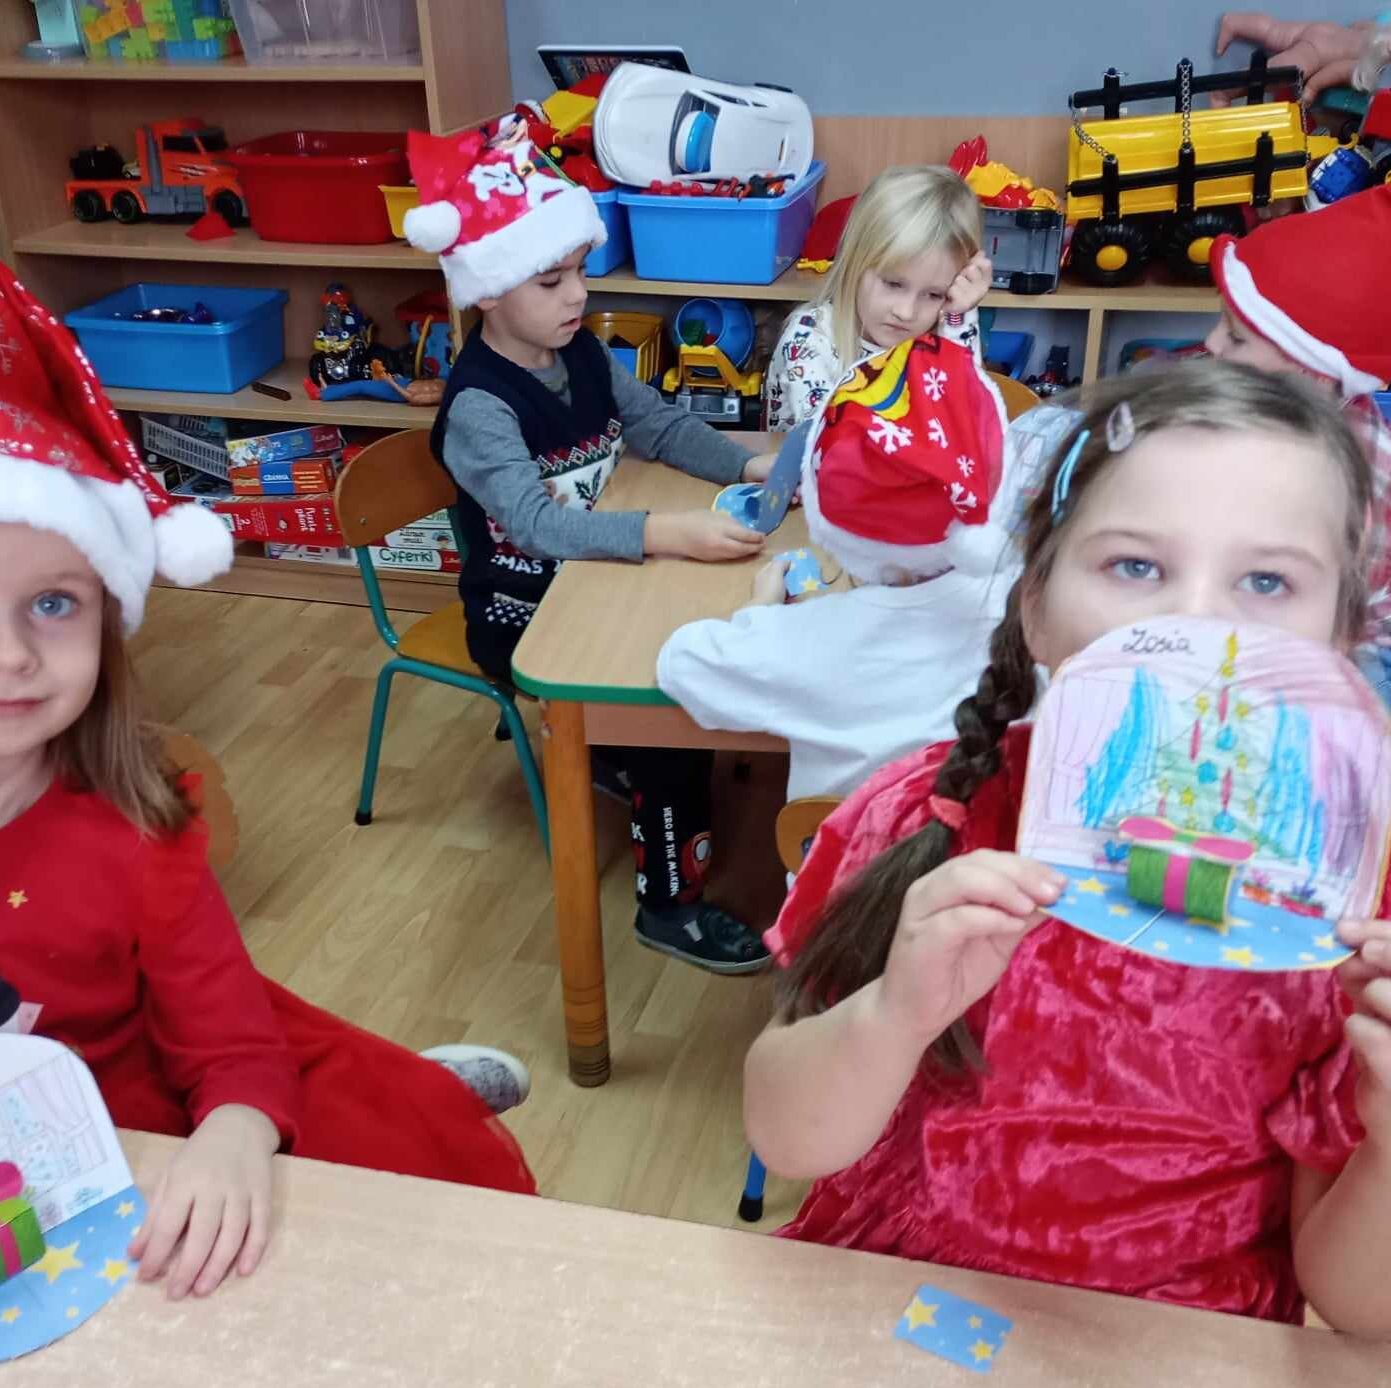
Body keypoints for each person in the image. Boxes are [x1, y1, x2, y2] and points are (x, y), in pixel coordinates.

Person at [0, 255, 537, 1305]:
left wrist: (236, 1132)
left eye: (54, 604)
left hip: (145, 1157)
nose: (9, 654)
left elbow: (232, 1049)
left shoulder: (137, 820)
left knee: (406, 1204)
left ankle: (413, 1091)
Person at [743, 362, 1391, 1341]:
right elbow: (786, 1138)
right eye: (1134, 566)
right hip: (904, 1308)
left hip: (1192, 1353)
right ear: (1036, 608)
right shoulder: (929, 819)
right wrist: (893, 1016)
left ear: (1339, 639)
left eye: (1266, 582)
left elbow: (1376, 1314)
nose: (1195, 622)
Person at [407, 121, 777, 975]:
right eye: (552, 280)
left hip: (593, 580)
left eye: (579, 270)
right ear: (489, 291)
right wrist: (665, 533)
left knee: (694, 644)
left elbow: (659, 426)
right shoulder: (480, 407)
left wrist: (750, 463)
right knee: (669, 714)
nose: (578, 295)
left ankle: (608, 756)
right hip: (521, 613)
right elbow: (536, 528)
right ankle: (669, 908)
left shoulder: (579, 351)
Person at [658, 331, 1013, 801]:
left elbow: (679, 665)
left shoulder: (808, 638)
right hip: (987, 847)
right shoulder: (1033, 613)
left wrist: (760, 611)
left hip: (841, 850)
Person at [1202, 184, 1391, 719]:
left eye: (1235, 337)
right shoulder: (1266, 406)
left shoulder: (1365, 473)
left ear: (1312, 369)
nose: (1210, 343)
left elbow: (1308, 613)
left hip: (1366, 651)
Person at [763, 165, 994, 433]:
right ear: (855, 262)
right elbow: (835, 443)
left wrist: (960, 316)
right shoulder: (810, 338)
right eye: (893, 284)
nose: (906, 312)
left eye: (934, 295)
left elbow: (967, 424)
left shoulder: (939, 336)